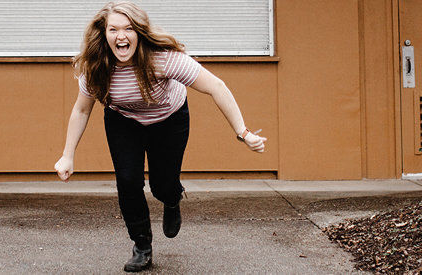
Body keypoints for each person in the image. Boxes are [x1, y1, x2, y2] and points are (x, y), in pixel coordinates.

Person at [53, 1, 267, 272]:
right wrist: (67, 155)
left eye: (129, 29)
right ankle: (142, 246)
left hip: (169, 121)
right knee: (128, 182)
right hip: (124, 121)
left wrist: (243, 132)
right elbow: (82, 109)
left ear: (139, 32)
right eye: (113, 29)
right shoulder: (98, 66)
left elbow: (216, 86)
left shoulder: (162, 59)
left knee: (162, 184)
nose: (121, 36)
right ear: (103, 33)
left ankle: (172, 197)